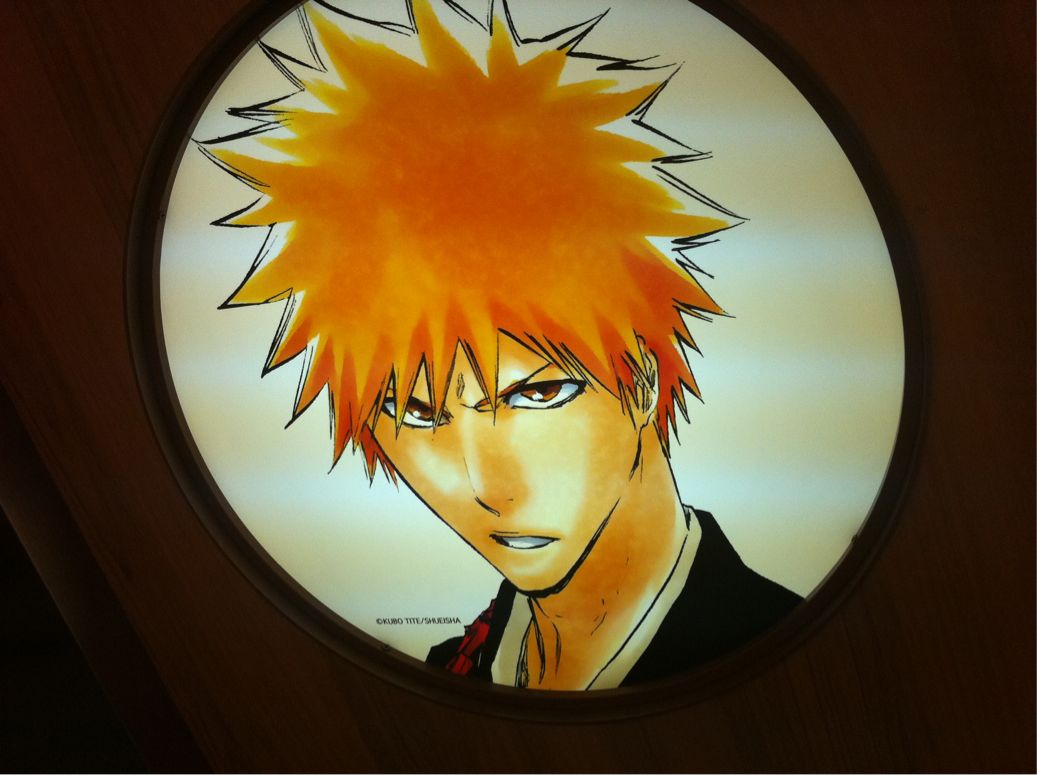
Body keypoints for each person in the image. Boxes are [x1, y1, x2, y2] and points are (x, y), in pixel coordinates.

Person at [208, 0, 800, 690]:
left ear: (640, 375)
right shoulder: (453, 671)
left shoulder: (776, 653)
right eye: (416, 413)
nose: (489, 486)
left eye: (537, 392)